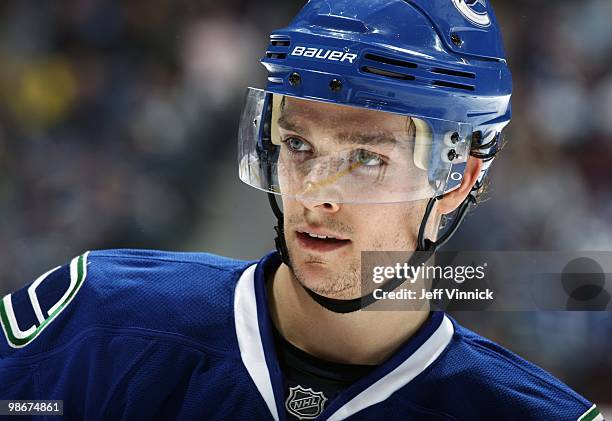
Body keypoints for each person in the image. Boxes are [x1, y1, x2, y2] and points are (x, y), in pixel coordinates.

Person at [0, 1, 604, 420]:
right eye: (298, 146)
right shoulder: (97, 319)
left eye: (367, 157)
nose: (317, 191)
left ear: (456, 179)